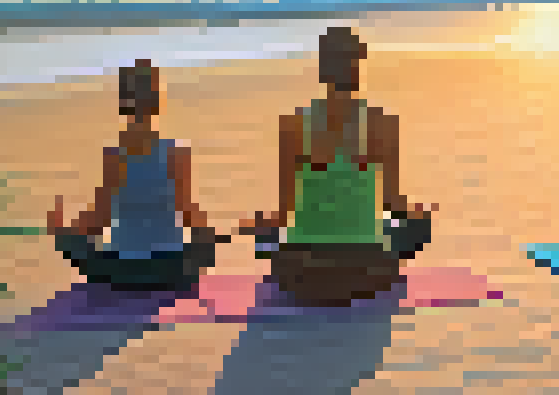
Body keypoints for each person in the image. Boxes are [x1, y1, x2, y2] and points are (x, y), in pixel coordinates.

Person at [241, 27, 434, 306]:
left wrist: (261, 226)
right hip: (368, 275)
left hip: (302, 275)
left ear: (322, 71)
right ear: (358, 68)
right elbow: (393, 203)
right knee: (414, 225)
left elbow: (285, 213)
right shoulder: (383, 124)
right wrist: (419, 215)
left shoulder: (294, 125)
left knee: (267, 232)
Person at [47, 60, 222, 292]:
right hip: (174, 268)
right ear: (157, 103)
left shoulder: (114, 156)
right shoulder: (176, 153)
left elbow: (100, 219)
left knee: (72, 241)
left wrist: (65, 232)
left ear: (122, 104)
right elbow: (188, 211)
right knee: (205, 242)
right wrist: (208, 235)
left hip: (124, 270)